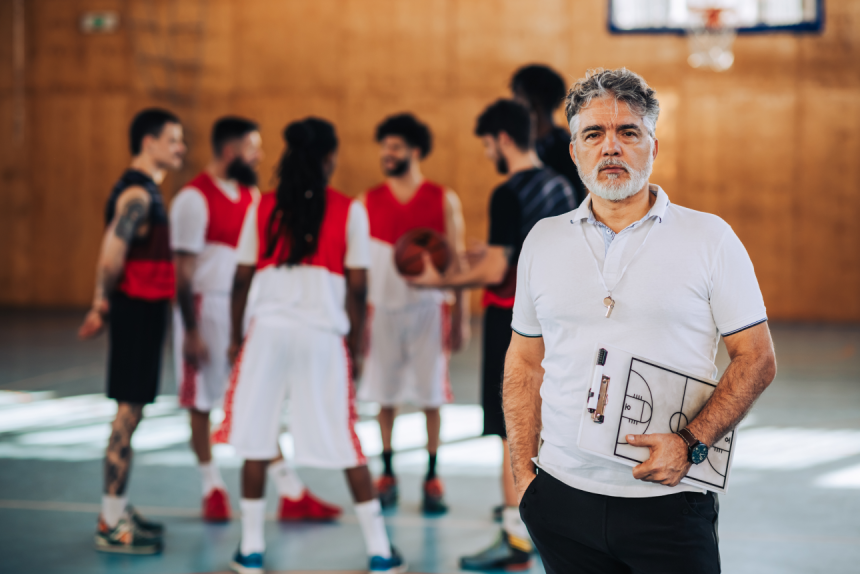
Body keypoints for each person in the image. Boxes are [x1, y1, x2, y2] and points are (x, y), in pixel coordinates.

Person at [506, 68, 777, 574]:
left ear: (654, 146)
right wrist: (523, 477)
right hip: (561, 498)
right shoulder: (542, 240)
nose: (611, 147)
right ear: (574, 152)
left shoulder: (709, 238)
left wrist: (692, 445)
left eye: (628, 132)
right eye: (594, 134)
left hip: (668, 499)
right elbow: (524, 360)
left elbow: (757, 358)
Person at [222, 118, 406, 574]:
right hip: (322, 338)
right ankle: (380, 551)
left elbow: (241, 278)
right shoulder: (349, 209)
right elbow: (359, 289)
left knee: (257, 439)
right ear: (329, 158)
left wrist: (234, 337)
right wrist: (357, 348)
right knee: (343, 439)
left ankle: (250, 550)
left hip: (265, 334)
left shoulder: (262, 206)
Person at [408, 99, 576, 571]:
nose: (487, 155)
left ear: (502, 139)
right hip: (556, 324)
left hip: (512, 322)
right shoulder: (561, 186)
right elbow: (523, 251)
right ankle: (551, 532)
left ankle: (515, 537)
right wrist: (488, 254)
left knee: (511, 428)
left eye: (487, 145)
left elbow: (502, 267)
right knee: (546, 424)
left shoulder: (509, 192)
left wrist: (436, 283)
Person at [171, 117, 340, 523]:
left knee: (257, 398)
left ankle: (290, 490)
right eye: (252, 147)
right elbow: (182, 272)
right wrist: (191, 329)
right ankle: (211, 486)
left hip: (245, 308)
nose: (259, 156)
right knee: (201, 402)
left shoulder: (251, 196)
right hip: (205, 308)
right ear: (230, 151)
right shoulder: (193, 199)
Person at [78, 108, 186, 554]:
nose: (181, 148)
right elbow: (109, 257)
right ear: (149, 141)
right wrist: (102, 302)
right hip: (136, 311)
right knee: (126, 415)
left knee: (133, 413)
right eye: (173, 139)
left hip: (144, 311)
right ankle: (109, 521)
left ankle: (117, 507)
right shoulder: (138, 195)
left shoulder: (148, 192)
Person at [358, 113, 467, 515]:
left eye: (396, 147)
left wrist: (459, 316)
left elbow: (455, 265)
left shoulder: (442, 199)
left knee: (430, 396)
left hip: (428, 310)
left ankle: (431, 475)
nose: (388, 154)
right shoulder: (366, 201)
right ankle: (385, 471)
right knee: (383, 396)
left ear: (415, 150)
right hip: (382, 310)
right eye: (385, 147)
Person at [511, 63, 587, 207]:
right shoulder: (528, 146)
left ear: (535, 101)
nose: (514, 103)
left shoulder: (566, 149)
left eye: (518, 95)